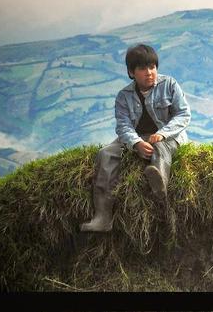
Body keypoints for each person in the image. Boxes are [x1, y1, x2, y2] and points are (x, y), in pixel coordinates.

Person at [80, 44, 191, 232]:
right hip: (137, 137)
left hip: (168, 135)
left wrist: (163, 133)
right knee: (105, 154)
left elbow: (183, 114)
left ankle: (159, 181)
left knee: (161, 147)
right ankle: (103, 217)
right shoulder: (123, 96)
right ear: (131, 72)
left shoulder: (170, 85)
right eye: (142, 68)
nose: (149, 72)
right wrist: (136, 143)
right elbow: (123, 126)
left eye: (153, 67)